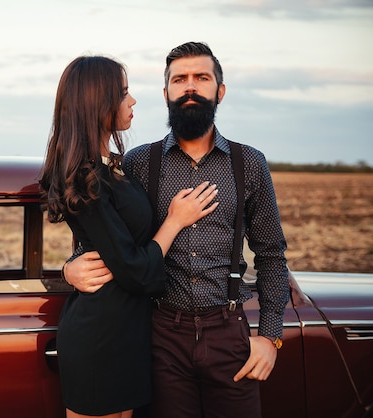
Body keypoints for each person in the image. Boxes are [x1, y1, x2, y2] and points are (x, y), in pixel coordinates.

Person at [64, 42, 289, 418]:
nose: (190, 87)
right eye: (179, 79)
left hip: (228, 331)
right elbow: (104, 233)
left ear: (220, 90)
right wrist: (71, 267)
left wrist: (269, 336)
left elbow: (270, 256)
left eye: (201, 78)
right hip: (159, 335)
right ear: (165, 92)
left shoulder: (248, 162)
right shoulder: (138, 163)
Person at [39, 55, 219, 418]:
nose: (133, 100)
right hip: (100, 335)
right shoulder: (86, 178)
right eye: (123, 93)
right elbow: (136, 270)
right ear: (98, 103)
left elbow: (109, 241)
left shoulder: (112, 168)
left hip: (128, 331)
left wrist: (71, 263)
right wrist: (175, 221)